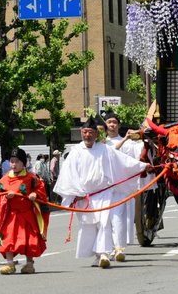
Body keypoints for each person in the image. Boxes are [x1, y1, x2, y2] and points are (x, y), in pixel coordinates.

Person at [53, 116, 152, 268]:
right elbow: (68, 174)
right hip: (84, 195)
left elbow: (123, 162)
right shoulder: (75, 152)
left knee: (104, 223)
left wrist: (141, 166)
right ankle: (98, 255)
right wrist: (75, 192)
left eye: (91, 132)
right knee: (89, 225)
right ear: (81, 132)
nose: (88, 135)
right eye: (85, 132)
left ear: (96, 134)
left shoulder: (105, 149)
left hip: (103, 193)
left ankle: (104, 253)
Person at [0, 148, 50, 275]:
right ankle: (10, 264)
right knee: (8, 238)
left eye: (17, 162)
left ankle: (29, 264)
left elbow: (41, 190)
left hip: (27, 215)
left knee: (29, 239)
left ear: (24, 163)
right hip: (10, 216)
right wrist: (5, 196)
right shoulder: (4, 179)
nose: (13, 164)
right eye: (12, 161)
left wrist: (34, 195)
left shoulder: (32, 178)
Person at [104, 111, 144, 261]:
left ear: (119, 125)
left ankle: (119, 247)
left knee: (119, 217)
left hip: (122, 187)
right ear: (105, 126)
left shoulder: (129, 143)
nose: (112, 125)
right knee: (105, 219)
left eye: (115, 122)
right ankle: (106, 248)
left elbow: (136, 158)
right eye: (109, 122)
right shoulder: (101, 144)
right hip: (105, 187)